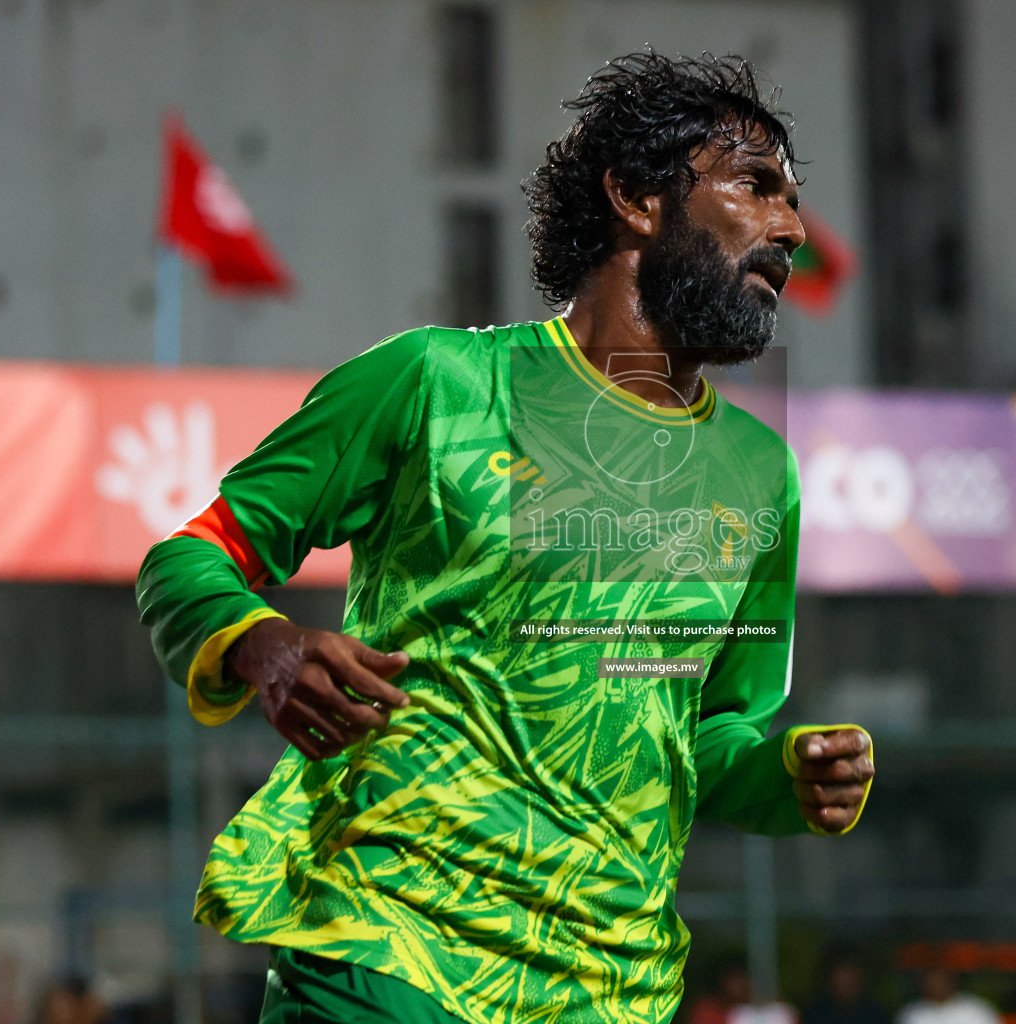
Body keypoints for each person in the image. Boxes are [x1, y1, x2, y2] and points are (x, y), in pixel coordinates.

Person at [136, 52, 875, 1024]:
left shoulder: (759, 474)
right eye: (757, 186)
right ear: (637, 199)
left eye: (793, 199)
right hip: (388, 954)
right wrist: (259, 643)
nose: (789, 228)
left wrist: (786, 775)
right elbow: (188, 555)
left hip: (611, 988)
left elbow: (704, 735)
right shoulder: (431, 383)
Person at [800, 945, 890, 1024]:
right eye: (843, 975)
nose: (847, 984)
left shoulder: (876, 1015)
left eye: (853, 980)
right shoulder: (814, 1014)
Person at [896, 969, 1000, 1024]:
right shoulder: (913, 1014)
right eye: (931, 981)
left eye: (940, 980)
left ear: (951, 981)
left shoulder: (976, 1009)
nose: (936, 985)